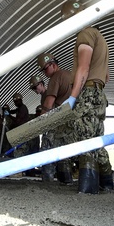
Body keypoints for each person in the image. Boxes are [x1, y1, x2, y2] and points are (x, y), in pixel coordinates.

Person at [59, 0, 114, 193]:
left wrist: (73, 97)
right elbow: (106, 75)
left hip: (88, 94)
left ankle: (88, 187)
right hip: (99, 94)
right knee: (96, 139)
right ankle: (107, 181)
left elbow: (84, 67)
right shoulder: (100, 37)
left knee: (85, 140)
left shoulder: (85, 34)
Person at [34, 51, 77, 183]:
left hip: (59, 119)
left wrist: (40, 123)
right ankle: (66, 179)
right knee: (64, 152)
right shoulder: (69, 74)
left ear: (52, 65)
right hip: (72, 120)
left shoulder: (55, 78)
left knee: (46, 148)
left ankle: (47, 180)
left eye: (45, 69)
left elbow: (48, 103)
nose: (45, 73)